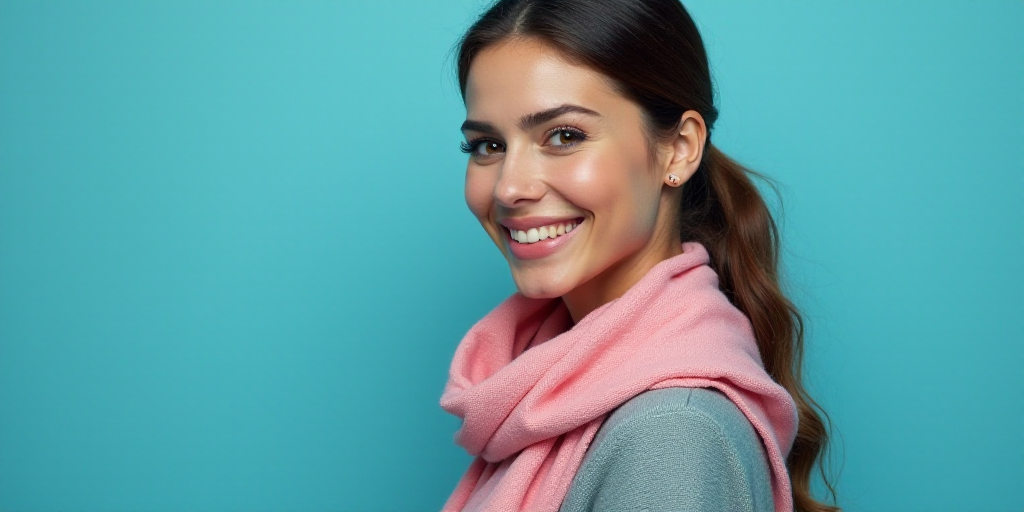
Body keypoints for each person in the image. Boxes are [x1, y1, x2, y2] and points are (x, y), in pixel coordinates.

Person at [438, 1, 838, 511]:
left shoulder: (671, 435)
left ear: (679, 149)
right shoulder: (546, 393)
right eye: (488, 145)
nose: (510, 187)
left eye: (564, 136)